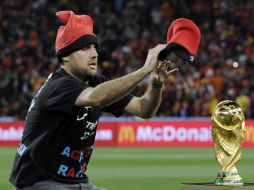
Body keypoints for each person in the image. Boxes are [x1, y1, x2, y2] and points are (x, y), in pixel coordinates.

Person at [9, 11, 200, 190]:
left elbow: (143, 109)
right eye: (85, 48)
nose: (94, 54)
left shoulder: (95, 83)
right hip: (40, 183)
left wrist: (156, 84)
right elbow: (96, 97)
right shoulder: (59, 85)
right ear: (65, 56)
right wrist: (144, 69)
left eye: (95, 47)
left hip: (76, 183)